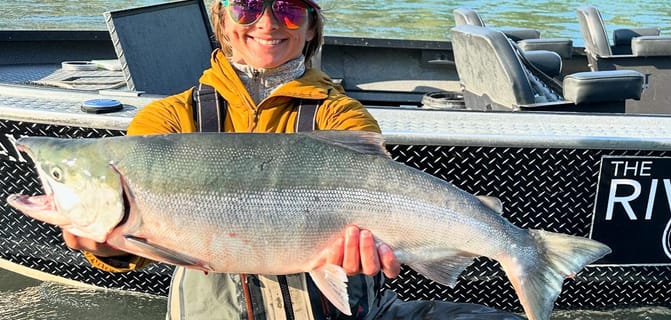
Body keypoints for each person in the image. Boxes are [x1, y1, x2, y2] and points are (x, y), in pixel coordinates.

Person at [63, 0, 524, 319]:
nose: (267, 23)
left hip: (329, 306)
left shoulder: (339, 113)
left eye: (287, 9)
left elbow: (378, 215)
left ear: (309, 26)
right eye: (248, 7)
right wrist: (104, 245)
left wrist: (379, 253)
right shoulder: (168, 116)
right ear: (224, 21)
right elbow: (132, 247)